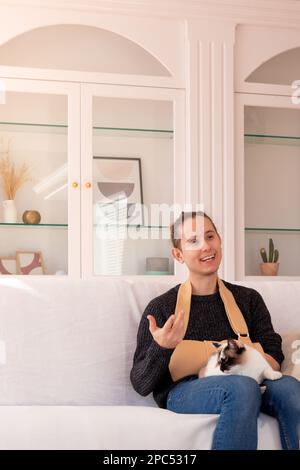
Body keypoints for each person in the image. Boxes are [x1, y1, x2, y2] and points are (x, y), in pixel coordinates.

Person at [130, 210, 300, 450]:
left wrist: (244, 362)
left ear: (219, 240)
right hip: (184, 391)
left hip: (252, 379)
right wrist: (162, 347)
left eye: (210, 236)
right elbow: (140, 383)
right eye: (193, 241)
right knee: (242, 388)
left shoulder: (248, 300)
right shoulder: (163, 308)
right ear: (178, 254)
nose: (206, 246)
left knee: (291, 388)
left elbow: (274, 358)